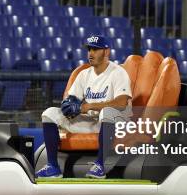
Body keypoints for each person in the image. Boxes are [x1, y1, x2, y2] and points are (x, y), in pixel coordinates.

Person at [35, 35, 132, 179]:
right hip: (94, 122)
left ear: (106, 52)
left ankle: (101, 165)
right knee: (49, 113)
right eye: (89, 49)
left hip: (118, 123)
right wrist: (69, 106)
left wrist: (90, 105)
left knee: (107, 112)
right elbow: (72, 99)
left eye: (95, 49)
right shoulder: (84, 74)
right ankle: (52, 167)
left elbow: (122, 102)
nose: (90, 53)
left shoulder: (118, 72)